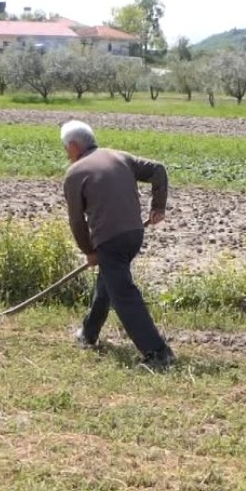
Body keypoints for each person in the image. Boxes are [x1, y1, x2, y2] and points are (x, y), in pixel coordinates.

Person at [60, 120, 175, 369]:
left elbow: (77, 222)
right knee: (109, 282)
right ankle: (88, 334)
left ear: (73, 145)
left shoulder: (75, 173)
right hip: (134, 234)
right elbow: (158, 170)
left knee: (123, 293)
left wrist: (89, 251)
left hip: (110, 241)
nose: (65, 153)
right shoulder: (118, 156)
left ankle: (157, 352)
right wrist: (158, 207)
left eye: (65, 148)